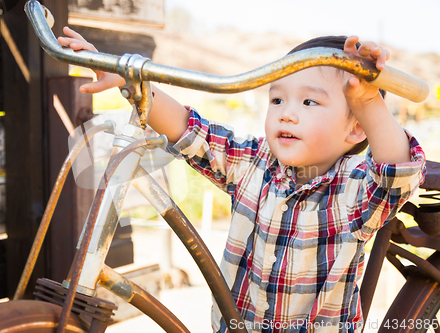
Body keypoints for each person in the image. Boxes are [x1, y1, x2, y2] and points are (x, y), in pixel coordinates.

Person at [58, 28, 426, 332]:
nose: (287, 115)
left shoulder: (353, 189)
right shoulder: (253, 165)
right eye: (277, 100)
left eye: (309, 103)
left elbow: (398, 174)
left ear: (355, 128)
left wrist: (368, 101)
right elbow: (192, 131)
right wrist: (130, 81)